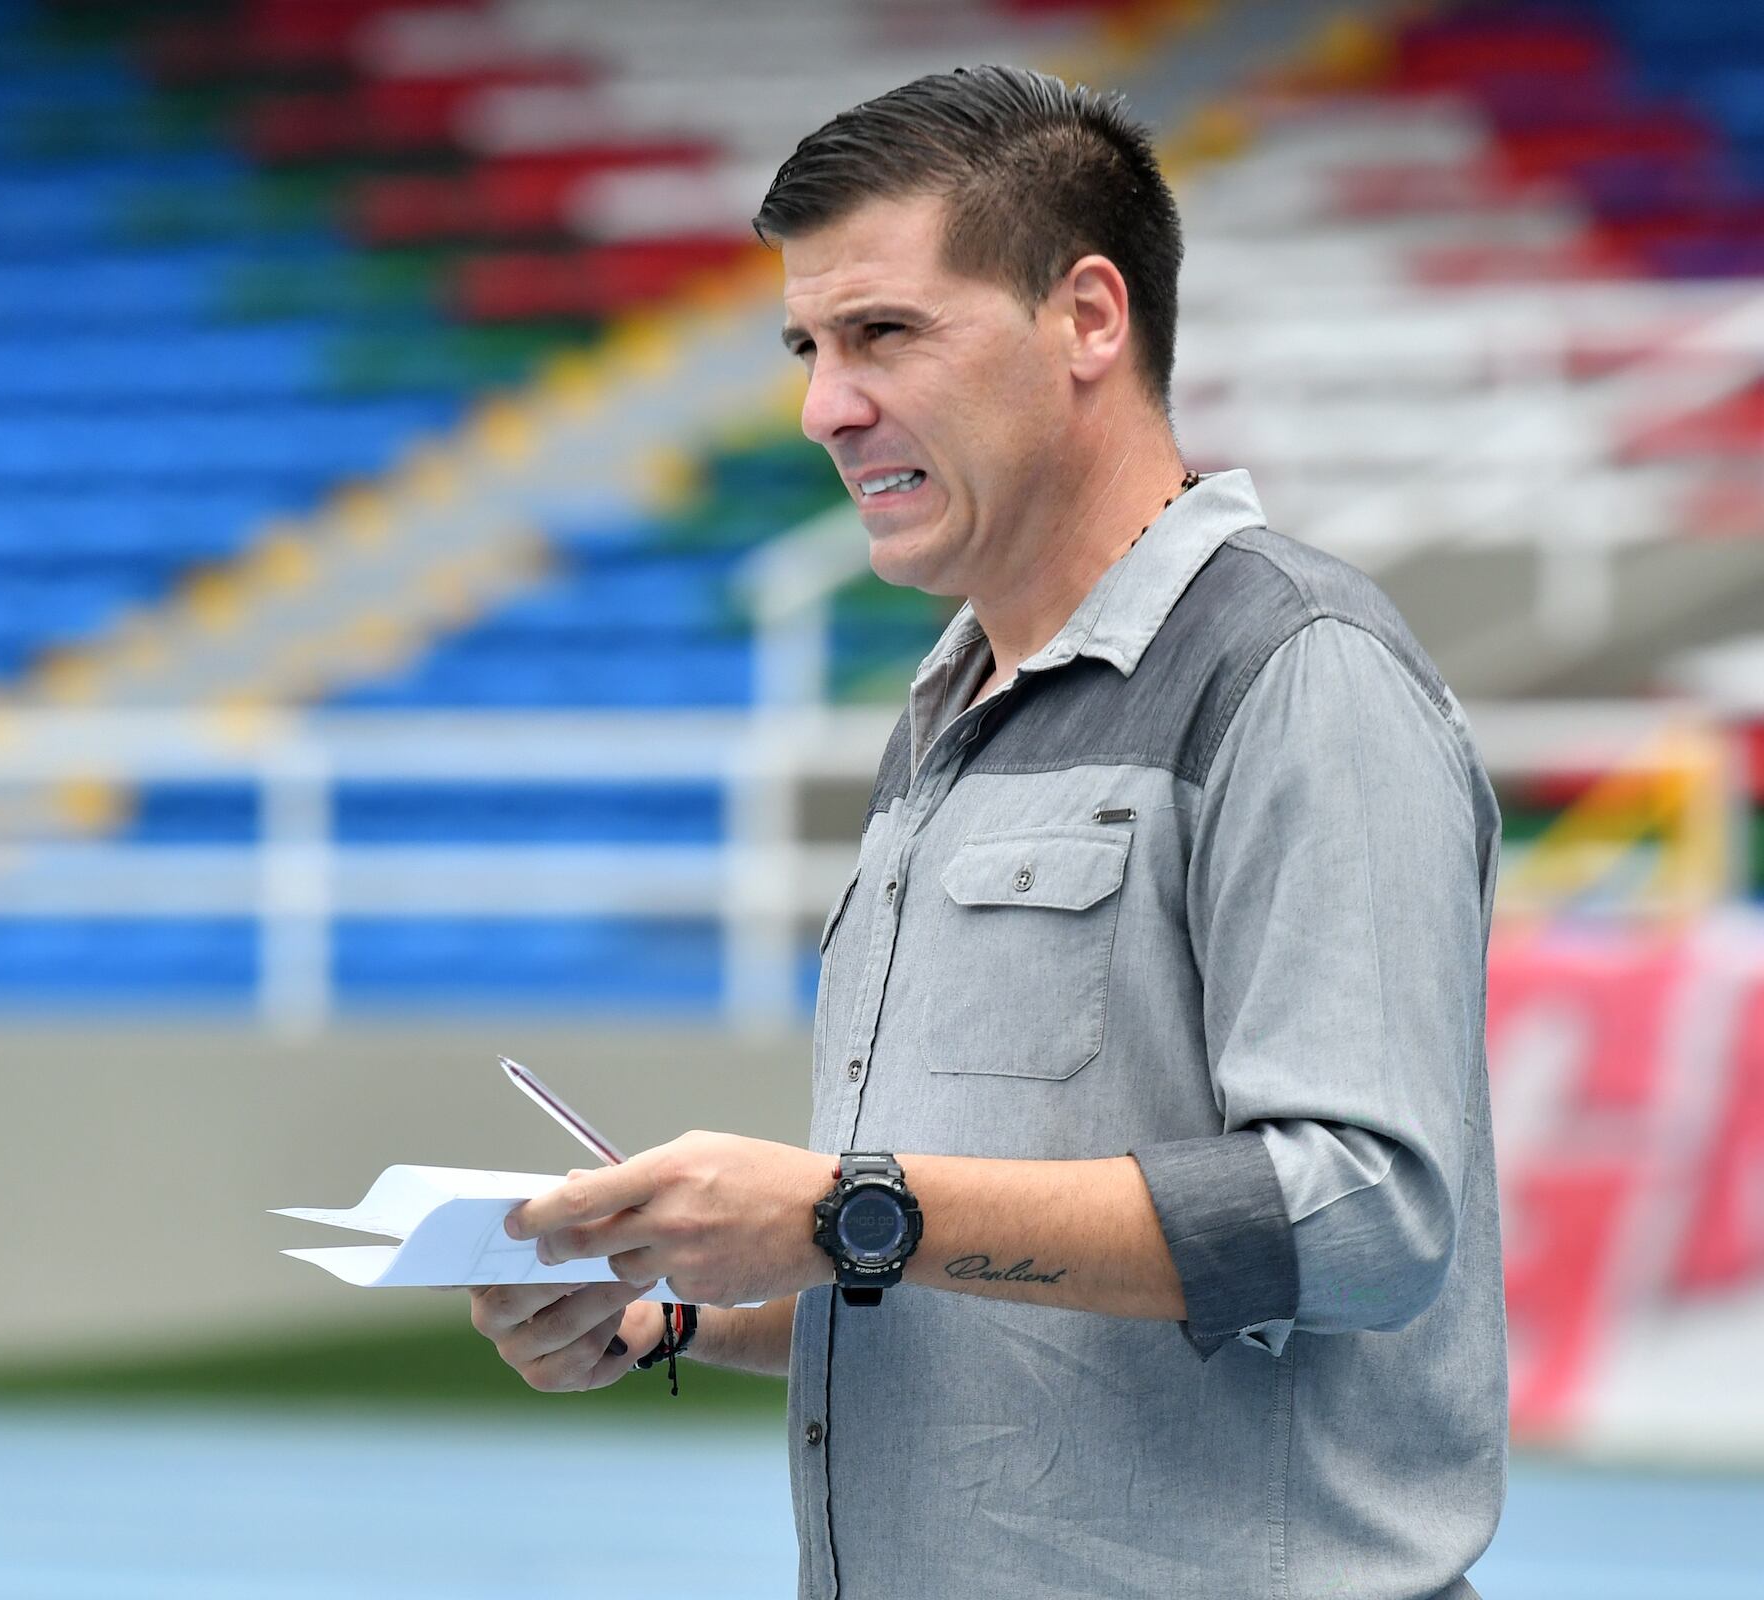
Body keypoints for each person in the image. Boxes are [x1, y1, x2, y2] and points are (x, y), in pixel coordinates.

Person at [465, 64, 1506, 1599]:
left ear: (1091, 318)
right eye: (809, 347)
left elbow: (1362, 1216)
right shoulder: (946, 706)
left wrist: (839, 1206)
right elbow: (969, 1276)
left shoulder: (1298, 668)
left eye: (884, 332)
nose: (826, 405)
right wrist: (670, 1305)